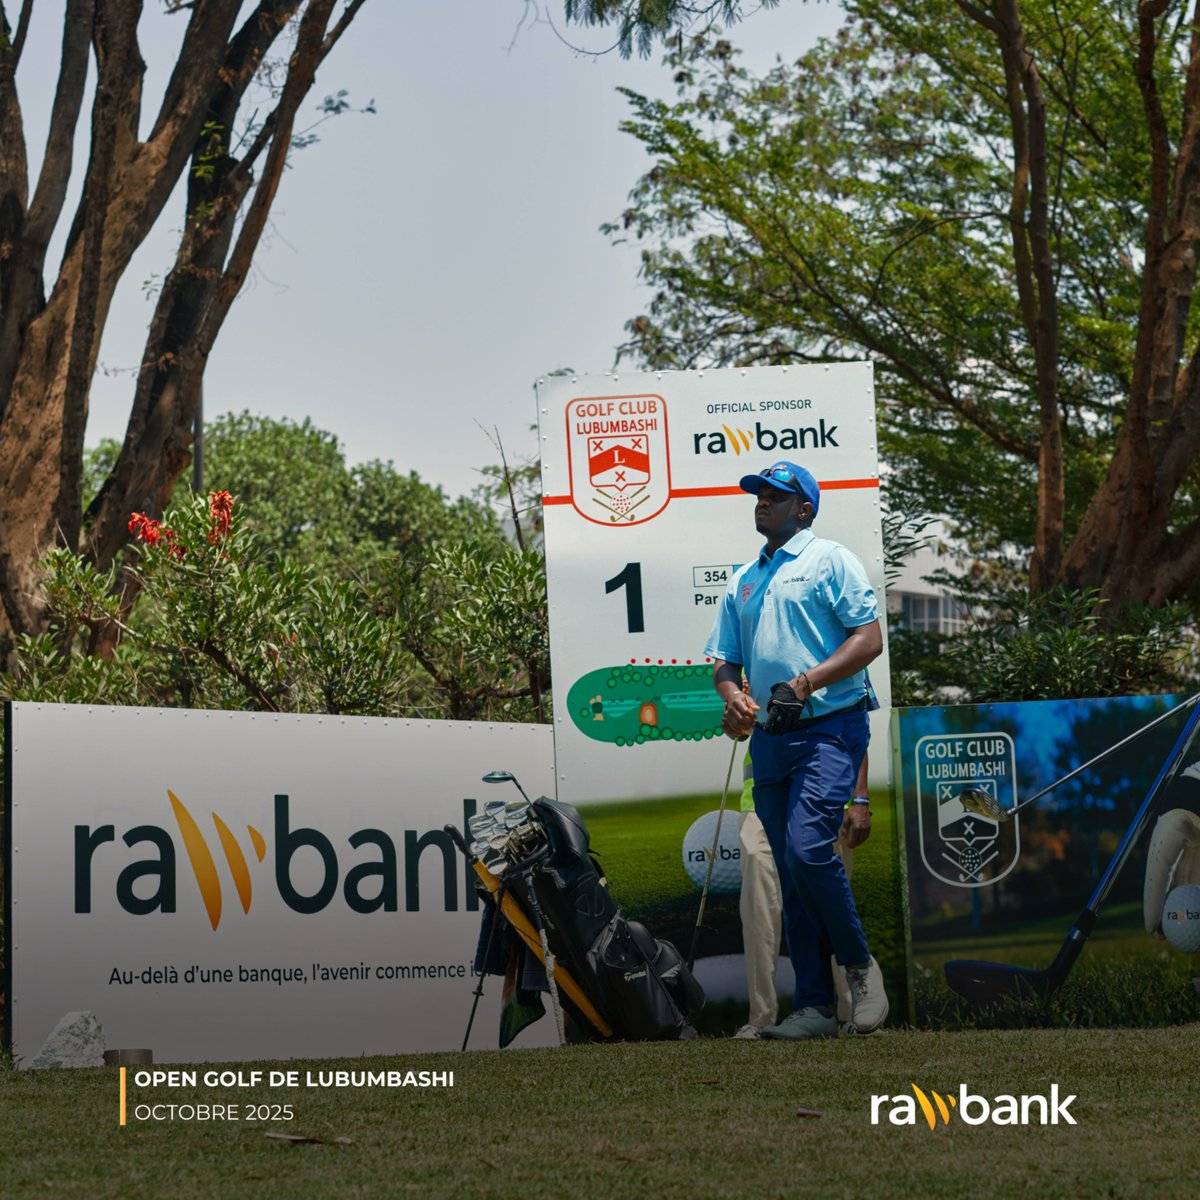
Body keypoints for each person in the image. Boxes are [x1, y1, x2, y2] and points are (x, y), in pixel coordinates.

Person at [706, 460, 888, 1039]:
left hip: (830, 729)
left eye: (777, 495)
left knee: (809, 851)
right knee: (790, 869)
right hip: (771, 741)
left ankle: (859, 968)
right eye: (759, 494)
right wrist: (735, 697)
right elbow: (725, 663)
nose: (762, 501)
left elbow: (869, 639)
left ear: (804, 509)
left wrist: (806, 683)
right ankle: (812, 1005)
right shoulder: (743, 578)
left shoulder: (830, 559)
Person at [733, 750, 878, 1038]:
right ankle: (760, 1019)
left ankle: (851, 1016)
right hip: (761, 802)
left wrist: (860, 799)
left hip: (826, 800)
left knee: (832, 910)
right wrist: (736, 723)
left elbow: (857, 732)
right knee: (759, 912)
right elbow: (737, 727)